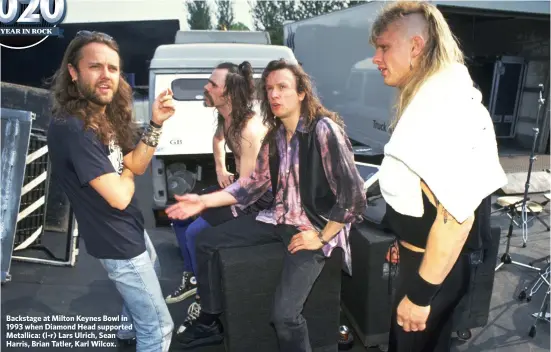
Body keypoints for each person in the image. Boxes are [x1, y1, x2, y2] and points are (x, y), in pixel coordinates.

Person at [165, 58, 367, 351]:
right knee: (205, 241)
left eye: (282, 87)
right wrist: (202, 201)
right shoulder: (274, 138)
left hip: (313, 227)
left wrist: (321, 236)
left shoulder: (323, 130)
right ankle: (211, 318)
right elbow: (250, 186)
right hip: (277, 219)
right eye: (269, 88)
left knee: (285, 316)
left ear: (301, 93)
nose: (273, 94)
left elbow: (354, 195)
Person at [370, 2, 508, 351]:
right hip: (429, 264)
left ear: (415, 46)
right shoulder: (437, 101)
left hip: (431, 273)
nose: (376, 58)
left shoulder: (441, 110)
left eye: (384, 47)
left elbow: (455, 219)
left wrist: (419, 295)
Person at [46, 31, 177, 352]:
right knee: (159, 326)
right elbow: (119, 194)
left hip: (128, 229)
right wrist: (128, 173)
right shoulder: (74, 128)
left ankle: (126, 332)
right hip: (116, 240)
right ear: (74, 74)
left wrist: (156, 124)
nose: (106, 75)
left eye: (113, 68)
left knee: (152, 275)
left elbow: (136, 163)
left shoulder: (101, 117)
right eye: (96, 67)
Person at [165, 61, 272, 322]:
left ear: (229, 94)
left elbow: (247, 192)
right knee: (177, 216)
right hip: (238, 186)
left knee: (195, 232)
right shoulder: (229, 117)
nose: (206, 87)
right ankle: (192, 276)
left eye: (213, 84)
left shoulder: (249, 129)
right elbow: (218, 139)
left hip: (258, 200)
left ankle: (204, 295)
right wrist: (221, 168)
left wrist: (204, 202)